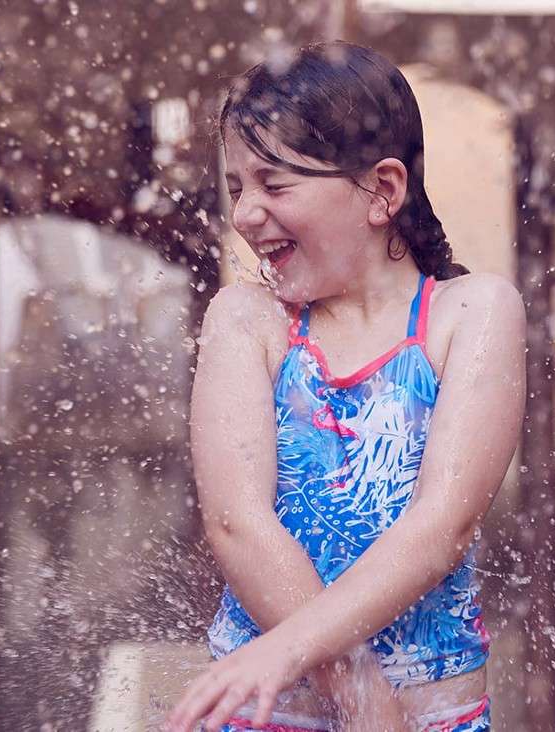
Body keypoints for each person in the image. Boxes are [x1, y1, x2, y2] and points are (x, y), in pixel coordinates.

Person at [165, 41, 525, 732]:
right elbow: (238, 524)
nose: (243, 214)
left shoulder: (469, 314)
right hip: (270, 714)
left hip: (436, 715)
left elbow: (442, 526)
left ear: (382, 191)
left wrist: (302, 656)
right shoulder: (249, 319)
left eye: (274, 184)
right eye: (237, 187)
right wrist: (359, 693)